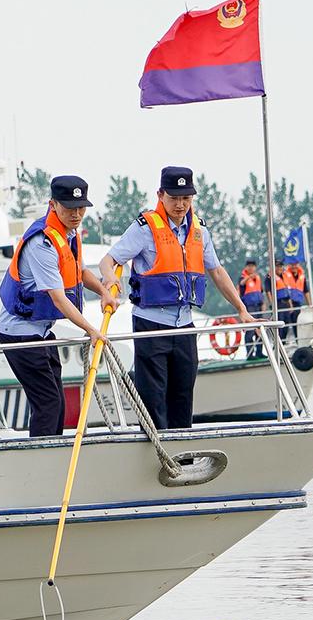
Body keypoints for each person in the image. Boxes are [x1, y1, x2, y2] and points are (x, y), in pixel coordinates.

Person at [99, 167, 256, 429]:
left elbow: (217, 271)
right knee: (153, 399)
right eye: (174, 198)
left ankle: (182, 450)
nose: (180, 205)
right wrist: (109, 281)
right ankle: (156, 447)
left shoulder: (199, 231)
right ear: (160, 195)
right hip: (151, 325)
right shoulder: (144, 229)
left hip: (184, 325)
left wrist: (241, 308)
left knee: (183, 397)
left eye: (186, 198)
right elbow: (109, 260)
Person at [0, 175, 109, 437]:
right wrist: (91, 330)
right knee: (48, 402)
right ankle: (41, 456)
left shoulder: (69, 235)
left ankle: (53, 451)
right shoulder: (42, 243)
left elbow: (80, 272)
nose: (76, 214)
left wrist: (104, 291)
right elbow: (58, 298)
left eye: (81, 208)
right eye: (69, 208)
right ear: (53, 204)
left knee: (57, 403)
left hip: (41, 331)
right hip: (19, 333)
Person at [237, 259, 266, 359]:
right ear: (246, 267)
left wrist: (263, 304)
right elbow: (241, 284)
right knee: (250, 330)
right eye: (249, 266)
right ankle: (250, 353)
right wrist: (249, 277)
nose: (251, 268)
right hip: (249, 307)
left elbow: (261, 292)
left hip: (258, 306)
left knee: (260, 329)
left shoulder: (258, 278)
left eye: (253, 266)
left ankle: (259, 352)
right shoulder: (242, 278)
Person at [275, 259, 308, 342]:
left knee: (297, 324)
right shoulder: (284, 274)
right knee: (283, 325)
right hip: (286, 303)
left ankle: (299, 342)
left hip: (297, 303)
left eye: (295, 264)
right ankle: (281, 344)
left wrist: (310, 305)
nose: (294, 266)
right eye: (292, 264)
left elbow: (306, 291)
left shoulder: (302, 276)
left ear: (298, 265)